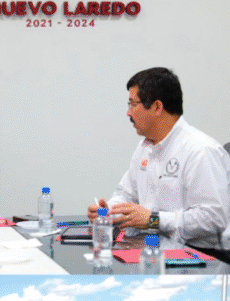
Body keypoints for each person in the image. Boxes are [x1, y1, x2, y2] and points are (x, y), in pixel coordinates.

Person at [87, 67, 230, 261]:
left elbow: (214, 218)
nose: (128, 113)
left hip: (200, 258)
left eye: (133, 104)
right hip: (154, 249)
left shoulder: (200, 150)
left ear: (156, 107)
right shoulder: (144, 148)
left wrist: (153, 220)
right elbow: (126, 195)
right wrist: (107, 212)